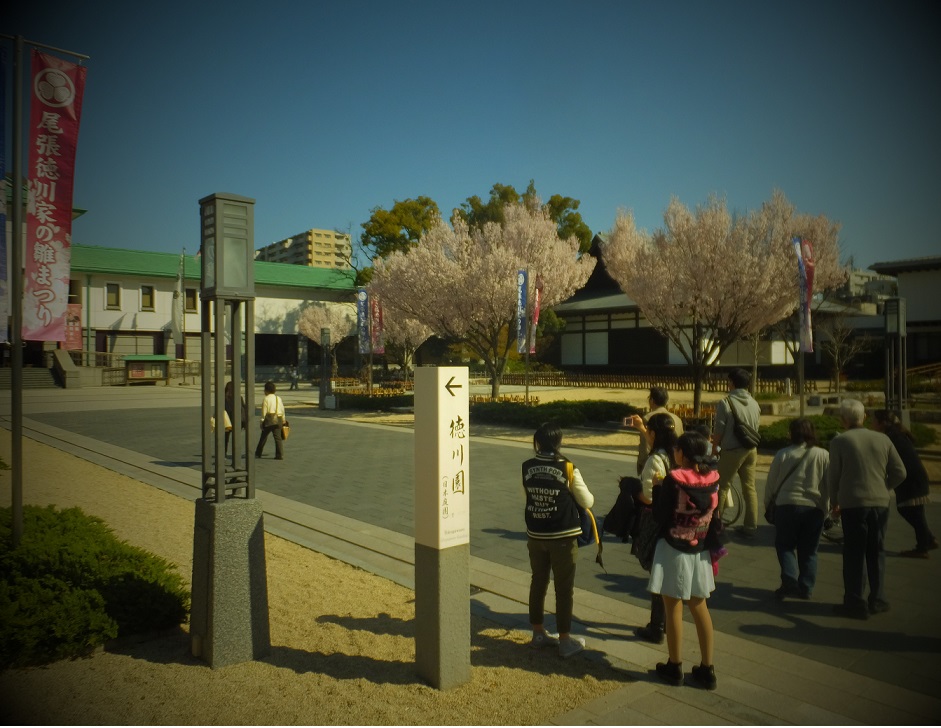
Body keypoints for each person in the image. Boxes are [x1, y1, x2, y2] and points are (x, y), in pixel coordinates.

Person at [648, 431, 721, 690]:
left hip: (674, 548)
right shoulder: (713, 478)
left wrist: (657, 488)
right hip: (700, 548)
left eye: (677, 449)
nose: (674, 452)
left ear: (683, 453)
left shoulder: (674, 479)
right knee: (700, 606)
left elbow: (659, 515)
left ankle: (675, 665)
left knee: (673, 607)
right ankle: (707, 669)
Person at [828, 399, 906, 619]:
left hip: (853, 504)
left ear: (843, 419)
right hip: (880, 503)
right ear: (864, 417)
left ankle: (855, 601)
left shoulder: (840, 441)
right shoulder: (883, 439)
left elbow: (833, 477)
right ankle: (878, 599)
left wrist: (835, 502)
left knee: (854, 552)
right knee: (876, 550)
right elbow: (900, 472)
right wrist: (883, 486)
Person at [522, 422, 595, 659]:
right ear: (558, 442)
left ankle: (538, 633)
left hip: (536, 533)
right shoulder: (568, 467)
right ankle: (564, 640)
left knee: (538, 582)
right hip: (563, 535)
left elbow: (526, 495)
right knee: (564, 589)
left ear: (537, 442)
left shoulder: (527, 466)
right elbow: (587, 501)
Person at [764, 418, 830, 600]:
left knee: (785, 546)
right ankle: (806, 587)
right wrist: (827, 509)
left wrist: (768, 504)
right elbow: (828, 484)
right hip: (814, 508)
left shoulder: (783, 454)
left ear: (792, 433)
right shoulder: (823, 455)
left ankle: (790, 582)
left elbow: (771, 483)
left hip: (786, 505)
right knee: (809, 550)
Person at [631, 413, 678, 645]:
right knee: (668, 575)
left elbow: (649, 497)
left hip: (657, 521)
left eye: (648, 431)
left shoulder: (655, 460)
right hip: (676, 522)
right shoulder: (677, 455)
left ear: (653, 434)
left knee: (658, 573)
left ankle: (657, 626)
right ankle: (668, 623)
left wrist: (631, 491)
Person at [872, 410, 937, 558]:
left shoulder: (891, 437)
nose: (872, 423)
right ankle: (928, 540)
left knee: (911, 511)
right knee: (915, 512)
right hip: (914, 477)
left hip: (911, 479)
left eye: (874, 420)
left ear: (882, 423)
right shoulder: (895, 433)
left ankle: (923, 547)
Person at [712, 368, 762, 539]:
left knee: (721, 486)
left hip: (732, 451)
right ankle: (751, 526)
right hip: (751, 450)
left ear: (732, 383)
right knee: (750, 488)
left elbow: (719, 430)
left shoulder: (726, 402)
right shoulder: (754, 403)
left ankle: (715, 526)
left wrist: (714, 449)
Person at [625, 386, 684, 475]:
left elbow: (645, 446)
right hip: (675, 463)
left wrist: (642, 464)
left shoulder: (648, 418)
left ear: (652, 400)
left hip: (656, 463)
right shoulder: (677, 419)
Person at [255, 381, 285, 460]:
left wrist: (261, 421)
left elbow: (264, 412)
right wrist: (283, 419)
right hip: (278, 419)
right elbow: (282, 409)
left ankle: (258, 453)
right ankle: (280, 454)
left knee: (263, 437)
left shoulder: (266, 399)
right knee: (278, 438)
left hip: (269, 420)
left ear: (266, 390)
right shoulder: (278, 398)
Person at [224, 380, 247, 458]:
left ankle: (223, 453)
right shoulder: (239, 397)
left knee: (225, 438)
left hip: (226, 421)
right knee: (236, 439)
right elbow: (243, 409)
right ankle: (236, 453)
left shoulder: (223, 398)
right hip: (237, 421)